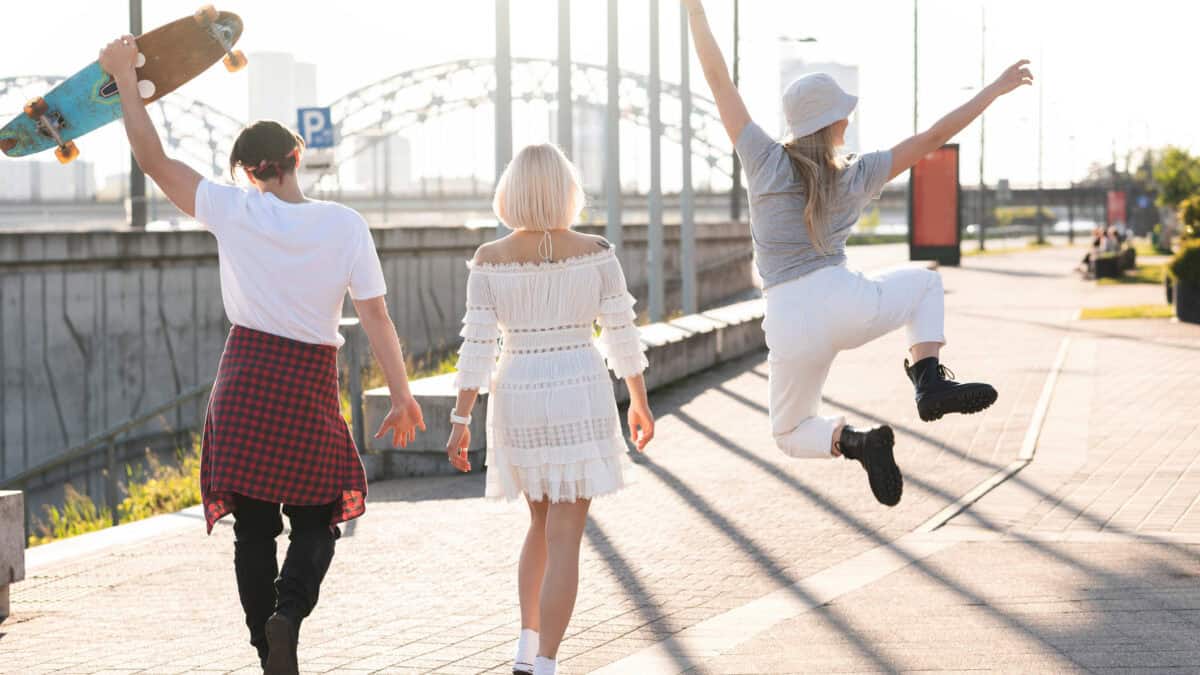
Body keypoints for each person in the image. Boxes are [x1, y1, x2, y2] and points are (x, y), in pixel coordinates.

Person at [99, 36, 426, 674]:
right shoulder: (344, 225)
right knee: (320, 513)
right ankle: (289, 615)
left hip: (245, 379)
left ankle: (265, 648)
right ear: (295, 158)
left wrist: (120, 81)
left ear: (247, 170)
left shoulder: (234, 208)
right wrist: (404, 394)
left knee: (254, 533)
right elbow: (376, 315)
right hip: (308, 383)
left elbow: (154, 158)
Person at [682, 1, 1030, 506]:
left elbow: (716, 77)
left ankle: (858, 442)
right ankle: (929, 381)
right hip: (846, 303)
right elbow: (934, 136)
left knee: (789, 432)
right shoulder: (858, 173)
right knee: (926, 284)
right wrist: (994, 91)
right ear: (837, 121)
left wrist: (694, 13)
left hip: (786, 320)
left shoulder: (761, 158)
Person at [445, 144, 655, 675]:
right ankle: (545, 664)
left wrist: (461, 420)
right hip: (578, 385)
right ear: (567, 191)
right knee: (566, 536)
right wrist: (639, 401)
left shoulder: (489, 259)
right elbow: (621, 333)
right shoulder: (596, 251)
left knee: (538, 524)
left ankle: (525, 645)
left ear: (510, 191)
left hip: (518, 388)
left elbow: (477, 348)